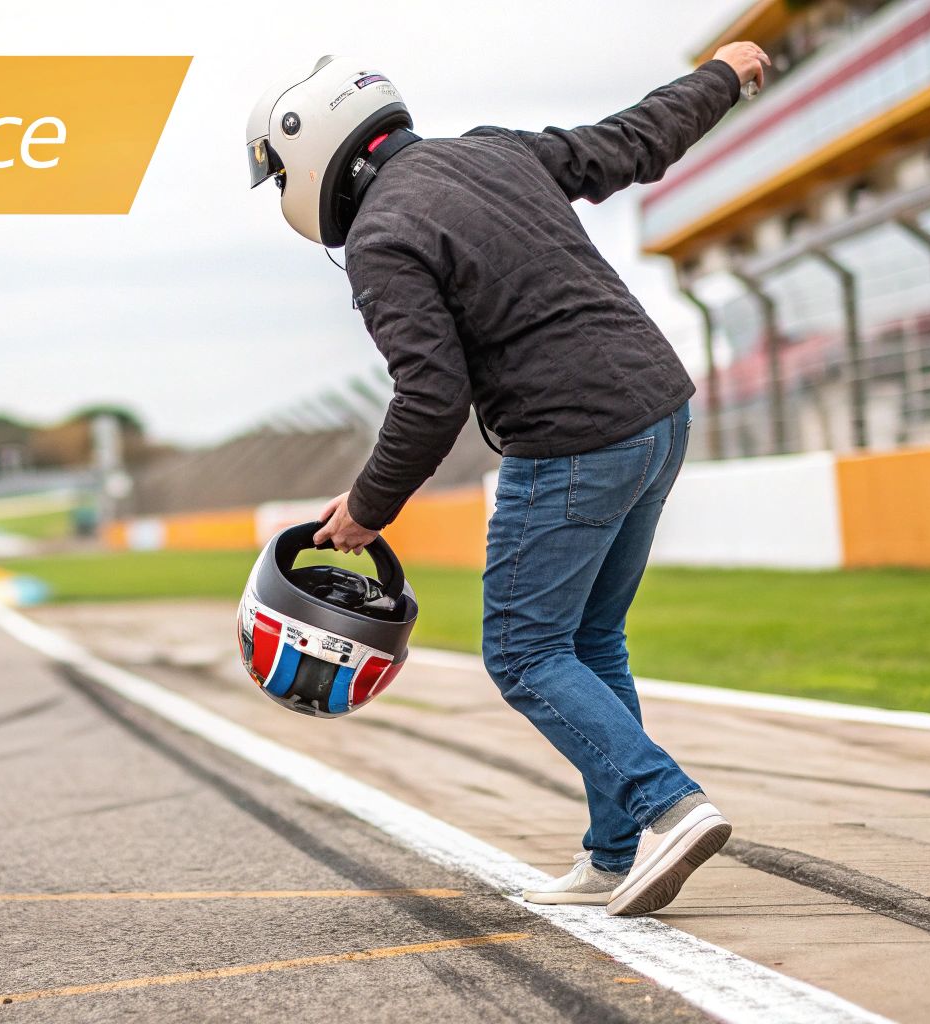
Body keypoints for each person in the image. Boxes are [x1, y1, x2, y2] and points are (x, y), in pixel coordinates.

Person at [245, 41, 771, 916]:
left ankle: (670, 807)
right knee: (590, 643)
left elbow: (431, 395)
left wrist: (368, 509)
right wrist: (721, 76)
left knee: (524, 651)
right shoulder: (494, 151)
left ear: (311, 147)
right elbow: (632, 140)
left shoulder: (382, 237)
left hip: (572, 438)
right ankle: (613, 855)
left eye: (278, 175)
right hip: (659, 411)